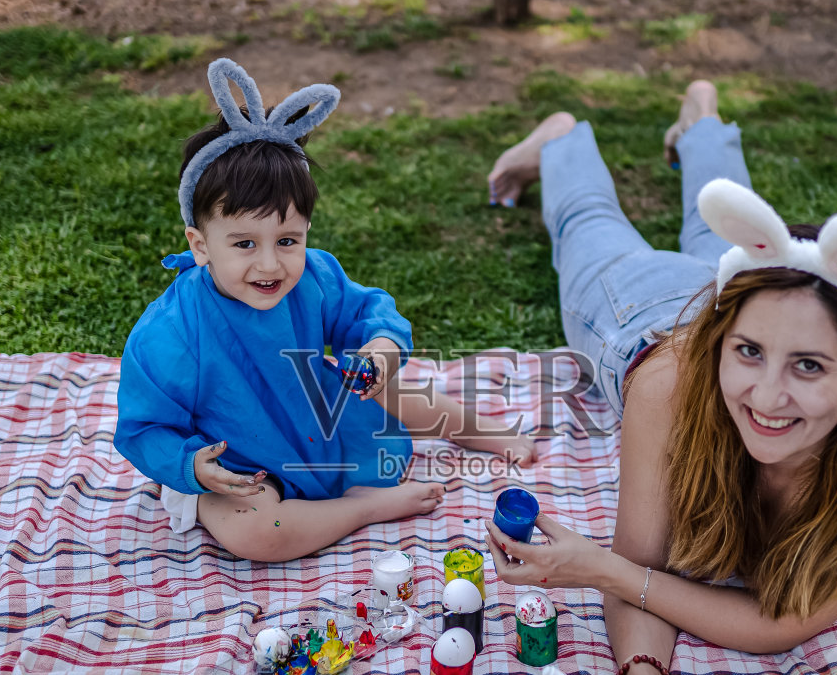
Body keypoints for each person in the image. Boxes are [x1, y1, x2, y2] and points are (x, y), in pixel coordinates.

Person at [482, 82, 837, 675]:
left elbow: (781, 621)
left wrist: (601, 570)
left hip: (746, 299)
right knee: (588, 224)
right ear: (726, 340)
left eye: (809, 367)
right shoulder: (671, 385)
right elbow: (645, 560)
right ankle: (563, 139)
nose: (767, 396)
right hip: (641, 314)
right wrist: (642, 671)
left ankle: (702, 124)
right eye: (748, 354)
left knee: (720, 231)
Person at [116, 59, 533, 562]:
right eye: (244, 243)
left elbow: (369, 312)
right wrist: (193, 466)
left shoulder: (314, 276)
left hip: (316, 423)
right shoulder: (171, 333)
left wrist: (379, 351)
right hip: (241, 466)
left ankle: (475, 428)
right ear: (200, 245)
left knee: (386, 387)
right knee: (256, 532)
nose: (270, 264)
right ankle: (361, 508)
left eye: (287, 240)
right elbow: (145, 426)